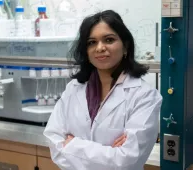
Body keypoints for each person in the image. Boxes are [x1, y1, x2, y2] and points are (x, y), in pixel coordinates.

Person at [43, 10, 162, 170]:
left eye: (109, 40)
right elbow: (53, 140)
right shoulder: (74, 89)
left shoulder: (144, 96)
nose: (100, 48)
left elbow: (127, 161)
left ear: (125, 46)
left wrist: (72, 145)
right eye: (92, 42)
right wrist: (109, 153)